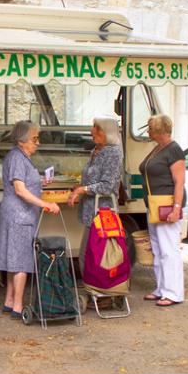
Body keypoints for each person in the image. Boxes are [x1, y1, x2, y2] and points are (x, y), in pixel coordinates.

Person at [0, 120, 60, 319]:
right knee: (21, 261)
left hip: (16, 214)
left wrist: (40, 181)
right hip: (19, 214)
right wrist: (45, 204)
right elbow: (20, 189)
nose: (37, 143)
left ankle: (9, 301)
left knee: (12, 259)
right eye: (34, 139)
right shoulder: (17, 158)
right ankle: (18, 306)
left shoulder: (20, 156)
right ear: (22, 141)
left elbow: (23, 183)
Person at [67, 115, 124, 277]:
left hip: (103, 214)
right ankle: (95, 293)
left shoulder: (112, 153)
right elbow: (94, 179)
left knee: (93, 257)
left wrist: (82, 189)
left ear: (107, 132)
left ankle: (98, 293)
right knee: (90, 256)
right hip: (92, 212)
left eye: (96, 127)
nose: (92, 130)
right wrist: (80, 186)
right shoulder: (96, 151)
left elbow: (107, 186)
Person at [139, 114, 186, 307]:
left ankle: (174, 293)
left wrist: (176, 208)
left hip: (166, 205)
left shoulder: (174, 150)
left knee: (169, 250)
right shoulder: (158, 149)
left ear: (159, 131)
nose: (148, 132)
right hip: (154, 205)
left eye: (150, 129)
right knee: (158, 250)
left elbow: (179, 182)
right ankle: (161, 289)